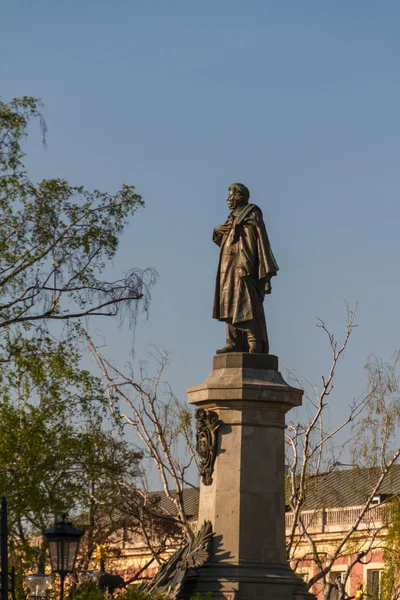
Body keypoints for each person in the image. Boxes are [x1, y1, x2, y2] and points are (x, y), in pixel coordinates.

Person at [212, 183, 279, 354]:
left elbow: (253, 242)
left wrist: (247, 265)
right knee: (228, 301)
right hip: (227, 268)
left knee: (248, 302)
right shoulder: (231, 218)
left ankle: (254, 342)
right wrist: (217, 231)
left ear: (240, 197)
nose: (228, 199)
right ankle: (232, 342)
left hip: (244, 267)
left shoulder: (250, 214)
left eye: (231, 195)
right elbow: (226, 240)